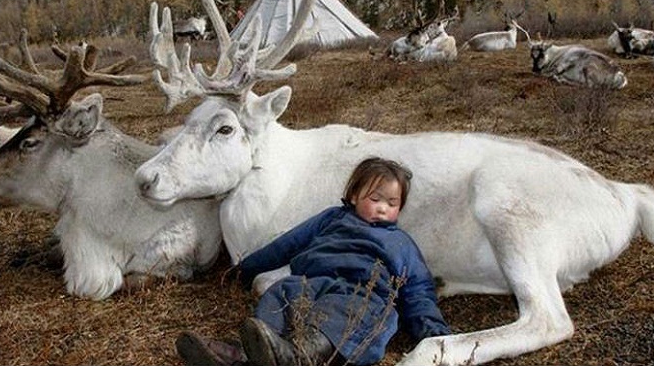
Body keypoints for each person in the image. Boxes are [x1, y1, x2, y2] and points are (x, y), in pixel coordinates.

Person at [177, 157, 450, 366]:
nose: (382, 207)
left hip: (360, 293)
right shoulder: (332, 218)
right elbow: (288, 244)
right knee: (280, 293)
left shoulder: (401, 242)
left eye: (392, 203)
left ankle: (297, 357)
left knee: (346, 311)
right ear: (354, 195)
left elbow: (418, 290)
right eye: (374, 198)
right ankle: (252, 351)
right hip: (311, 283)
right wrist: (246, 268)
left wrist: (435, 333)